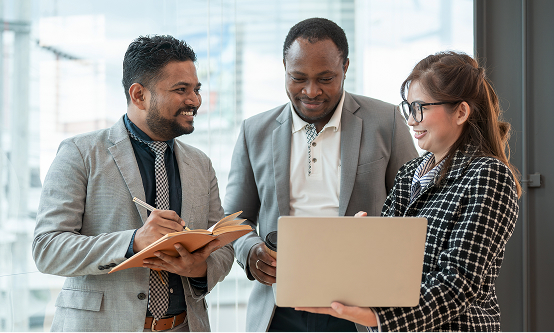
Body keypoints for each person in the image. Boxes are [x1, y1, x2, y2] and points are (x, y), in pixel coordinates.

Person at [296, 51, 521, 331]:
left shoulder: (488, 175)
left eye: (420, 108)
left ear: (461, 112)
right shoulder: (409, 173)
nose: (411, 121)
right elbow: (394, 269)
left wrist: (378, 317)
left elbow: (458, 282)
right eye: (409, 108)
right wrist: (363, 244)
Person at [224, 18, 418, 332]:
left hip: (362, 308)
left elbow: (417, 211)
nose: (311, 91)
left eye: (326, 78)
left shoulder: (388, 121)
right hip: (278, 310)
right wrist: (249, 251)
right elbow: (233, 217)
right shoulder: (254, 131)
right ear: (283, 67)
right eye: (298, 78)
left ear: (346, 66)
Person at [32, 35, 234, 332]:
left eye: (196, 89)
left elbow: (223, 247)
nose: (195, 100)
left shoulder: (200, 163)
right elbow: (47, 248)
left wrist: (201, 269)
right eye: (181, 90)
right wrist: (133, 242)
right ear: (139, 95)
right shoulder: (80, 152)